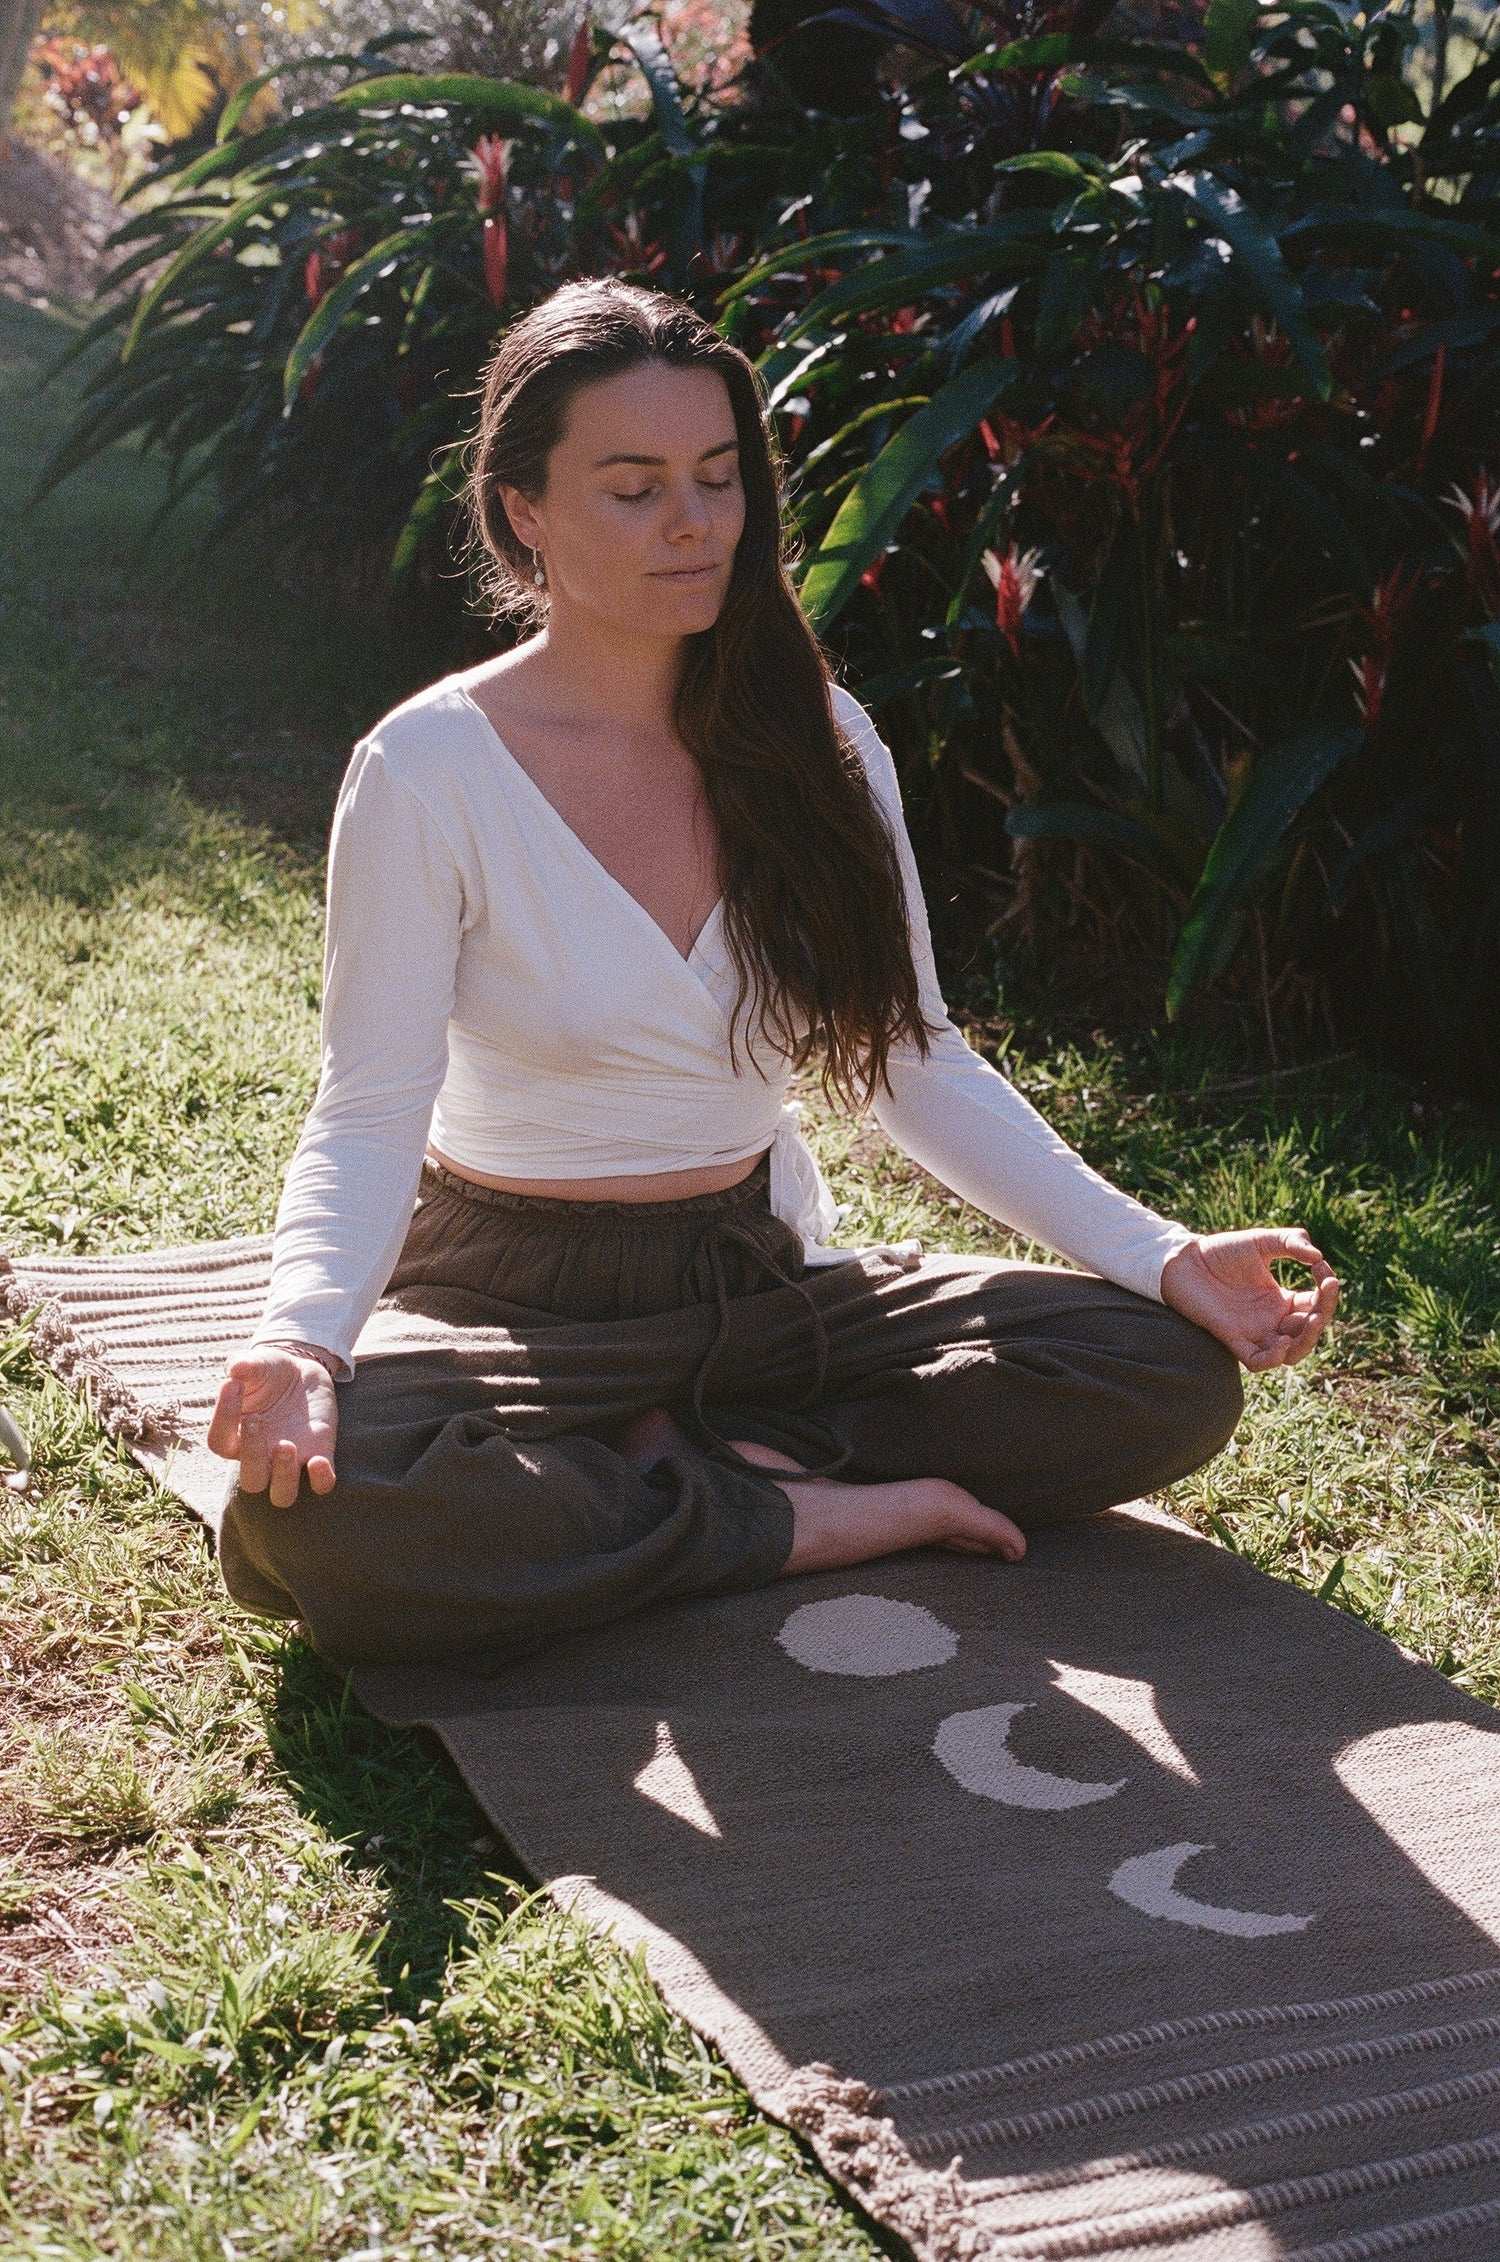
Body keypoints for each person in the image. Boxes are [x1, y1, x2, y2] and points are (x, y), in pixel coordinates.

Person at [206, 277, 1339, 1674]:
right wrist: (307, 1342)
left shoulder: (824, 740)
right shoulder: (429, 769)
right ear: (523, 513)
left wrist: (1162, 1257)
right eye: (631, 488)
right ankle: (791, 1515)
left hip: (757, 1278)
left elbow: (914, 1061)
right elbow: (372, 1103)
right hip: (512, 1290)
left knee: (1160, 1374)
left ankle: (680, 1474)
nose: (693, 523)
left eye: (717, 477)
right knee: (308, 1516)